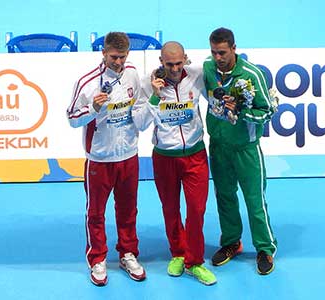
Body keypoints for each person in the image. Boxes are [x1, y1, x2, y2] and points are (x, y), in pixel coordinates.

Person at [132, 41, 217, 285]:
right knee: (171, 209)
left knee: (197, 210)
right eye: (169, 64)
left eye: (179, 63)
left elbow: (219, 70)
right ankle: (178, 253)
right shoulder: (148, 85)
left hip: (195, 154)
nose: (175, 68)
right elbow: (139, 123)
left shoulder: (197, 75)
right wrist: (156, 98)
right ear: (161, 62)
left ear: (186, 59)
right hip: (164, 157)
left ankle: (195, 261)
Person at [66, 32, 146, 286]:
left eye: (123, 57)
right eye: (114, 57)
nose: (119, 62)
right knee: (96, 213)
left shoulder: (133, 73)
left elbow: (140, 105)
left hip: (129, 156)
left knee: (128, 210)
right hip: (99, 159)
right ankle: (98, 258)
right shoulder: (87, 82)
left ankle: (128, 253)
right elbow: (71, 119)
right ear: (103, 52)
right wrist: (93, 109)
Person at [203, 27, 278, 275]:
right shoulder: (208, 69)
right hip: (218, 147)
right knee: (224, 197)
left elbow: (267, 111)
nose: (218, 57)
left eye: (222, 52)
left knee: (254, 200)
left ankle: (265, 248)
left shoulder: (251, 74)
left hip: (246, 149)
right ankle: (231, 242)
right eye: (214, 52)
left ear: (234, 48)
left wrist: (242, 112)